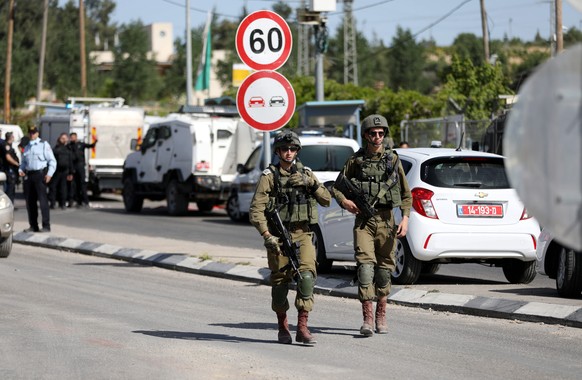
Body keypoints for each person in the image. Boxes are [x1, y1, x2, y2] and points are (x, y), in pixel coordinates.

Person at [332, 114, 412, 337]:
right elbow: (337, 187)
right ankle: (367, 319)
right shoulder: (355, 161)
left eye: (381, 133)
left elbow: (406, 194)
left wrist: (405, 218)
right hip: (364, 222)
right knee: (365, 269)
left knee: (385, 270)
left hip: (387, 220)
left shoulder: (393, 161)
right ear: (365, 135)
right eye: (373, 133)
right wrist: (345, 202)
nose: (378, 137)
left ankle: (381, 315)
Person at [249, 130, 331, 345]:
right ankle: (282, 326)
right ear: (278, 151)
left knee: (306, 278)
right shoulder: (269, 177)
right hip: (278, 236)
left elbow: (326, 199)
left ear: (297, 151)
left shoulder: (307, 173)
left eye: (292, 149)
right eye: (284, 149)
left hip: (302, 234)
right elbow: (256, 210)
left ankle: (302, 327)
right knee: (280, 284)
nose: (288, 152)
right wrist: (267, 235)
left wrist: (309, 183)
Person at [19, 126, 56, 232]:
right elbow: (24, 163)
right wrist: (20, 170)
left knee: (43, 201)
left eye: (34, 132)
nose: (32, 134)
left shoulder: (43, 145)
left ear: (37, 133)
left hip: (40, 175)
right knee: (30, 202)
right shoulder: (26, 147)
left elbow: (52, 161)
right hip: (29, 176)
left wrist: (49, 174)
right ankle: (33, 225)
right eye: (30, 133)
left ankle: (46, 225)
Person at [69, 132, 97, 207]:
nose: (72, 138)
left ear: (76, 137)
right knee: (74, 185)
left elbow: (91, 146)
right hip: (73, 166)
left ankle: (85, 201)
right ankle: (76, 201)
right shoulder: (69, 146)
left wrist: (95, 140)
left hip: (80, 166)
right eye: (71, 137)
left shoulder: (81, 144)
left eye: (73, 137)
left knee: (82, 184)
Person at [49, 133, 74, 210]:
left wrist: (70, 173)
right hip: (56, 171)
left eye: (65, 138)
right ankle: (53, 203)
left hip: (64, 171)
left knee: (63, 188)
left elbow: (70, 161)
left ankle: (62, 203)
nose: (63, 139)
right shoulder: (56, 148)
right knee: (53, 187)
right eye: (62, 138)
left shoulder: (68, 149)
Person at [4, 132, 20, 204]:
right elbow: (8, 158)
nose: (14, 138)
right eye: (13, 136)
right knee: (10, 190)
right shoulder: (7, 146)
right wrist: (16, 163)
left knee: (11, 189)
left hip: (11, 170)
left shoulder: (8, 145)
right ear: (10, 137)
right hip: (9, 170)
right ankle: (9, 205)